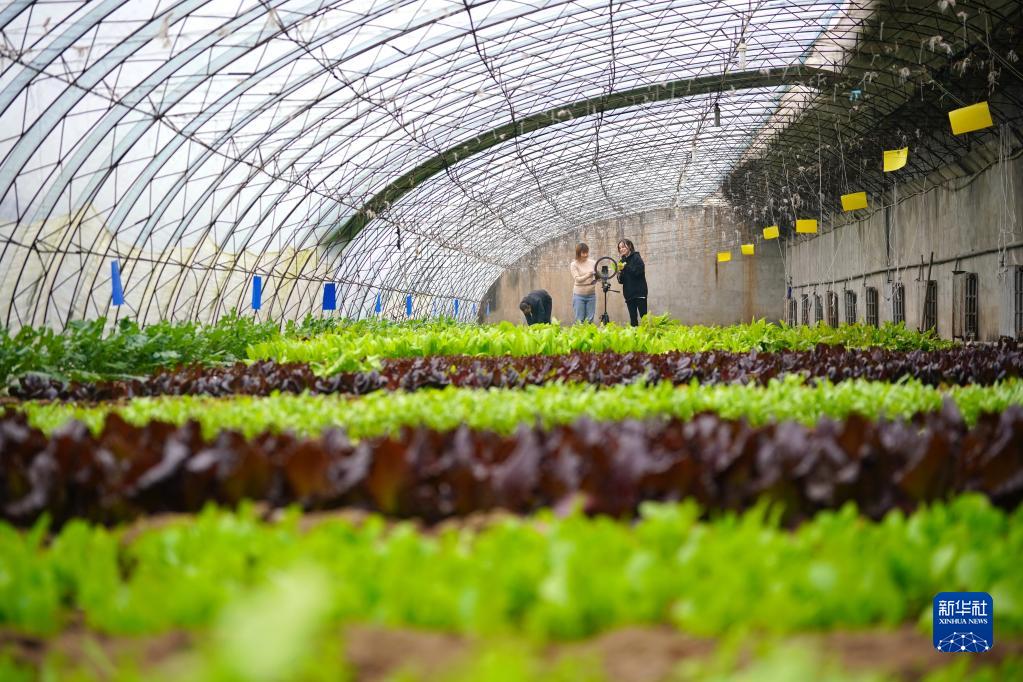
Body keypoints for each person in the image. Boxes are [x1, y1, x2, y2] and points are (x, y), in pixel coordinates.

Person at [617, 239, 648, 326]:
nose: (621, 249)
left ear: (630, 246)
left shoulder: (636, 257)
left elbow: (638, 272)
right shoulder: (621, 261)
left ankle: (647, 336)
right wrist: (619, 273)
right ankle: (635, 337)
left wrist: (625, 267)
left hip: (639, 292)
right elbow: (621, 281)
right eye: (620, 248)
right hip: (629, 293)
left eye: (623, 247)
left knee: (644, 317)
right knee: (633, 319)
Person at [569, 242, 597, 323]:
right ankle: (579, 335)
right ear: (578, 253)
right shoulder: (574, 264)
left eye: (587, 252)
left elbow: (596, 275)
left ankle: (589, 335)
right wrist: (588, 275)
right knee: (579, 320)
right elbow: (577, 279)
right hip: (579, 295)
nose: (585, 254)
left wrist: (599, 277)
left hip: (591, 294)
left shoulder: (592, 262)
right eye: (583, 253)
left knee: (590, 319)